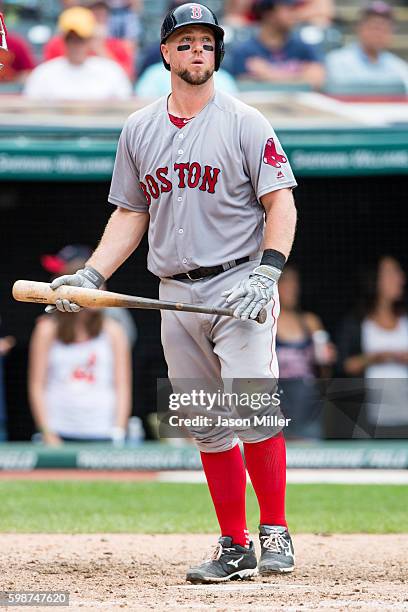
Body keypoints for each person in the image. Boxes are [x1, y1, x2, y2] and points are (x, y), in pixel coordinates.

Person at [45, 2, 298, 583]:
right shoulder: (139, 128)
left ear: (217, 52)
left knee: (252, 406)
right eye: (184, 43)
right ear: (165, 53)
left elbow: (280, 202)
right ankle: (233, 545)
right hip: (173, 293)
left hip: (239, 284)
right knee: (208, 422)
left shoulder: (245, 120)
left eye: (205, 43)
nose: (196, 52)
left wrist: (269, 270)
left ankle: (276, 529)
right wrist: (92, 276)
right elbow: (131, 213)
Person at [28, 261, 132, 446]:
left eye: (102, 284)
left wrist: (119, 430)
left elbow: (123, 385)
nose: (100, 290)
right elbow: (36, 385)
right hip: (59, 429)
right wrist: (47, 432)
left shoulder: (114, 330)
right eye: (92, 286)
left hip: (103, 429)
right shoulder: (46, 329)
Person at [337, 255, 408, 436]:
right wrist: (375, 358)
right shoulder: (357, 322)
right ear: (375, 279)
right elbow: (343, 365)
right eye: (392, 273)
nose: (400, 279)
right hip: (370, 420)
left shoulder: (405, 319)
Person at [277, 265, 335, 438]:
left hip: (307, 407)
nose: (293, 288)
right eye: (287, 281)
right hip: (277, 410)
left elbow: (324, 376)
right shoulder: (265, 322)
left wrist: (327, 360)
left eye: (295, 283)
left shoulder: (310, 322)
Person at [24, 6, 132, 100]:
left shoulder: (111, 71)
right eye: (70, 39)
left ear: (90, 40)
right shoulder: (44, 74)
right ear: (63, 40)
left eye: (81, 39)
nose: (75, 45)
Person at [223, 0, 325, 89]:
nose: (295, 14)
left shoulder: (303, 47)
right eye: (289, 9)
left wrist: (270, 74)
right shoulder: (245, 50)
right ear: (269, 14)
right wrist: (299, 76)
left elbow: (316, 80)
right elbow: (244, 87)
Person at [325, 1, 408, 95]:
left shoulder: (400, 68)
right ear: (359, 28)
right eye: (374, 27)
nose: (378, 34)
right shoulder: (335, 62)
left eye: (385, 29)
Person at [44, 1, 135, 80]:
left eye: (103, 12)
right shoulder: (55, 45)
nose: (100, 17)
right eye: (95, 12)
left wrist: (101, 50)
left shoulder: (116, 45)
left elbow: (126, 79)